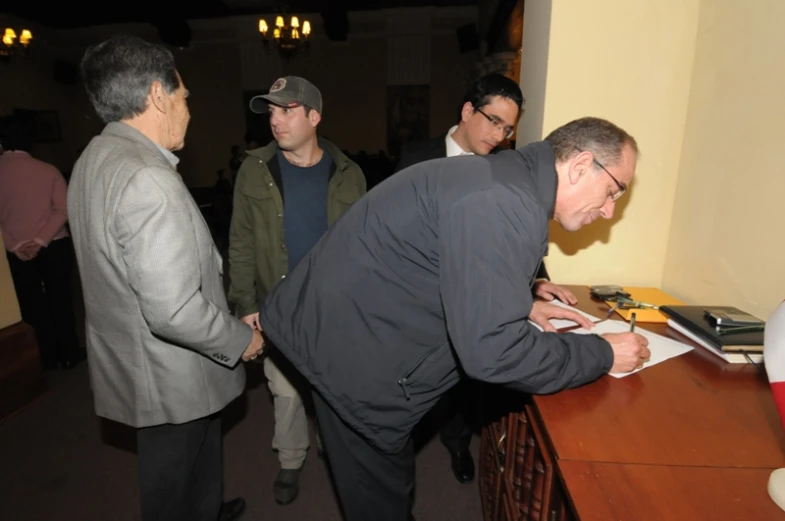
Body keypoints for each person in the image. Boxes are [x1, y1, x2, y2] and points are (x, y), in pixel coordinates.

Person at [260, 117, 651, 521]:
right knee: (382, 502)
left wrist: (523, 298)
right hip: (349, 362)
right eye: (613, 191)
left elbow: (445, 256)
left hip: (338, 329)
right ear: (580, 165)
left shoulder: (504, 180)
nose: (608, 211)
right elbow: (494, 353)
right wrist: (602, 354)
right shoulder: (503, 202)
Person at [68, 35, 263, 521]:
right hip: (170, 374)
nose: (188, 109)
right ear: (158, 95)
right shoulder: (147, 177)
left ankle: (208, 510)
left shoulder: (92, 158)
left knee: (195, 467)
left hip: (139, 365)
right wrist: (241, 341)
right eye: (184, 96)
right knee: (171, 489)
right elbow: (174, 310)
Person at [393, 72, 575, 484]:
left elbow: (512, 236)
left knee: (463, 383)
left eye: (508, 129)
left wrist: (536, 282)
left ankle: (457, 444)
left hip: (469, 303)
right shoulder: (415, 156)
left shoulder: (500, 169)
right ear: (466, 111)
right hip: (418, 299)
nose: (500, 135)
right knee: (409, 398)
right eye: (494, 121)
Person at [228, 76, 366, 505]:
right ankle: (290, 460)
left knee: (332, 387)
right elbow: (241, 240)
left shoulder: (349, 174)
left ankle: (334, 449)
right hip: (278, 305)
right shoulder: (254, 169)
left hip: (332, 308)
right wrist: (245, 304)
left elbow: (363, 248)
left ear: (314, 116)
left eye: (287, 110)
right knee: (285, 391)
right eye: (271, 111)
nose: (275, 120)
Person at [0, 116, 84, 370]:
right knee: (60, 299)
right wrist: (40, 240)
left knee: (31, 304)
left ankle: (44, 357)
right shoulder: (48, 170)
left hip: (13, 250)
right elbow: (63, 209)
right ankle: (68, 353)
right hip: (54, 245)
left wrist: (16, 244)